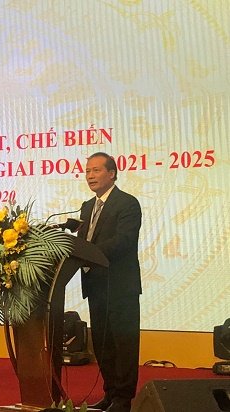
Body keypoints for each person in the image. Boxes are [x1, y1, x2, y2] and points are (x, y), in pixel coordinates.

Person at [77, 152, 142, 412]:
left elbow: (124, 241)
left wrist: (89, 253)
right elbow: (83, 241)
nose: (90, 176)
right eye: (87, 171)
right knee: (103, 344)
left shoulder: (127, 203)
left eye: (96, 170)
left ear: (112, 173)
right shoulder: (86, 207)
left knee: (123, 344)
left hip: (120, 286)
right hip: (95, 285)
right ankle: (110, 393)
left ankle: (123, 399)